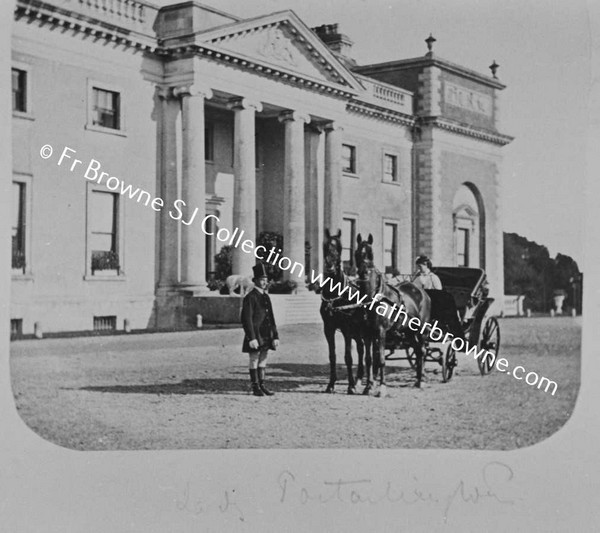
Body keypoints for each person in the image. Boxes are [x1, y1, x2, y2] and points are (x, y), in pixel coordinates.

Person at [241, 262, 279, 397]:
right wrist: (251, 337)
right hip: (256, 334)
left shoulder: (266, 296)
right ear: (256, 281)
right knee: (254, 359)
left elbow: (271, 318)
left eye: (266, 280)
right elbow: (246, 319)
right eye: (262, 280)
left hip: (266, 333)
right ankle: (255, 386)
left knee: (264, 357)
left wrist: (275, 336)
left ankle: (262, 385)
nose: (264, 282)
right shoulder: (250, 297)